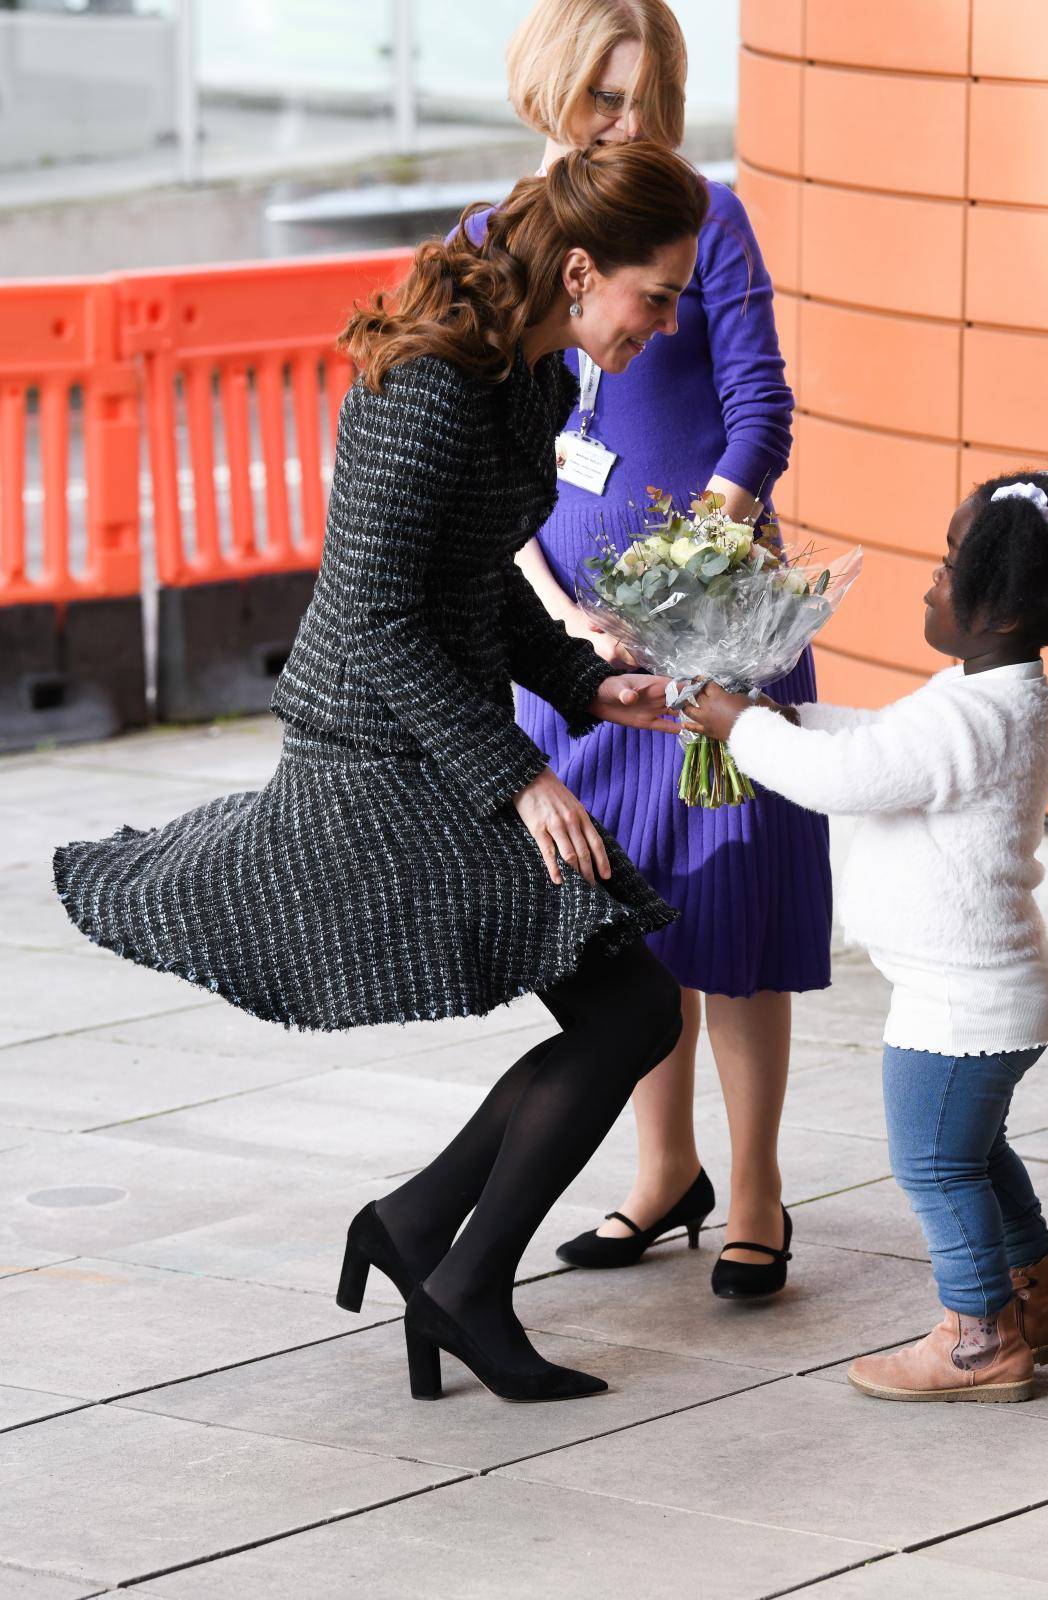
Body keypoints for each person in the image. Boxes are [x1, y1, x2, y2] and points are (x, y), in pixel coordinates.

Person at [53, 142, 711, 1405]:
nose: (666, 321)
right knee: (630, 1006)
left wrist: (587, 683)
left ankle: (427, 1239)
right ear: (580, 270)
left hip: (436, 739)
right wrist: (520, 773)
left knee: (627, 1005)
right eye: (657, 294)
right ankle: (447, 1266)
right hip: (373, 756)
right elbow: (378, 615)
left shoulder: (530, 375)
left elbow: (469, 592)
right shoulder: (431, 388)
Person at [680, 471, 1048, 1401]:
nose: (928, 582)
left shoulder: (979, 715)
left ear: (995, 602)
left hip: (958, 1002)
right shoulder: (989, 696)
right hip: (985, 992)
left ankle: (977, 1340)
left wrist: (740, 729)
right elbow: (881, 744)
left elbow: (849, 780)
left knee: (932, 1164)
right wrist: (782, 719)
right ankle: (1042, 1304)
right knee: (973, 1153)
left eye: (944, 564)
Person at [500, 0, 829, 1299]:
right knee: (622, 930)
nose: (627, 124)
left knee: (733, 918)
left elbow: (760, 414)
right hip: (567, 662)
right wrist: (561, 612)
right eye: (602, 97)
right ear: (548, 90)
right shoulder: (499, 239)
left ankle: (755, 1191)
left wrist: (690, 570)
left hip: (717, 630)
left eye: (649, 96)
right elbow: (491, 472)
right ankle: (661, 1172)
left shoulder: (713, 216)